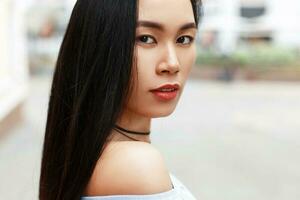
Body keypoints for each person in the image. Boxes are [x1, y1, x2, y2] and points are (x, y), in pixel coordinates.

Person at [39, 0, 202, 199]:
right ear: (99, 43)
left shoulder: (89, 153)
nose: (172, 63)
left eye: (184, 39)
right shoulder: (135, 165)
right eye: (146, 38)